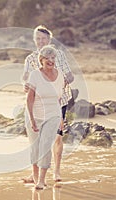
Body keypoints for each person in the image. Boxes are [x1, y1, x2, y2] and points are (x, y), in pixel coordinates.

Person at [22, 25, 74, 183]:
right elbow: (25, 77)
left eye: (43, 38)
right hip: (38, 103)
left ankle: (57, 171)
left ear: (49, 40)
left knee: (57, 137)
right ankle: (35, 174)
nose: (40, 41)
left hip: (58, 101)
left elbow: (70, 76)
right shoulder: (30, 59)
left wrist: (60, 82)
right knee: (35, 140)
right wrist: (25, 85)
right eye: (37, 38)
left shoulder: (58, 56)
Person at [25, 45, 65, 189]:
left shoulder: (60, 74)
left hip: (52, 115)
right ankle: (36, 179)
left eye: (53, 58)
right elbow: (29, 99)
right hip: (34, 115)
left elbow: (59, 99)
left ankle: (42, 180)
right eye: (47, 58)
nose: (50, 60)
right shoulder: (35, 75)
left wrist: (60, 118)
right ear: (41, 60)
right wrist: (31, 119)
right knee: (35, 148)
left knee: (46, 146)